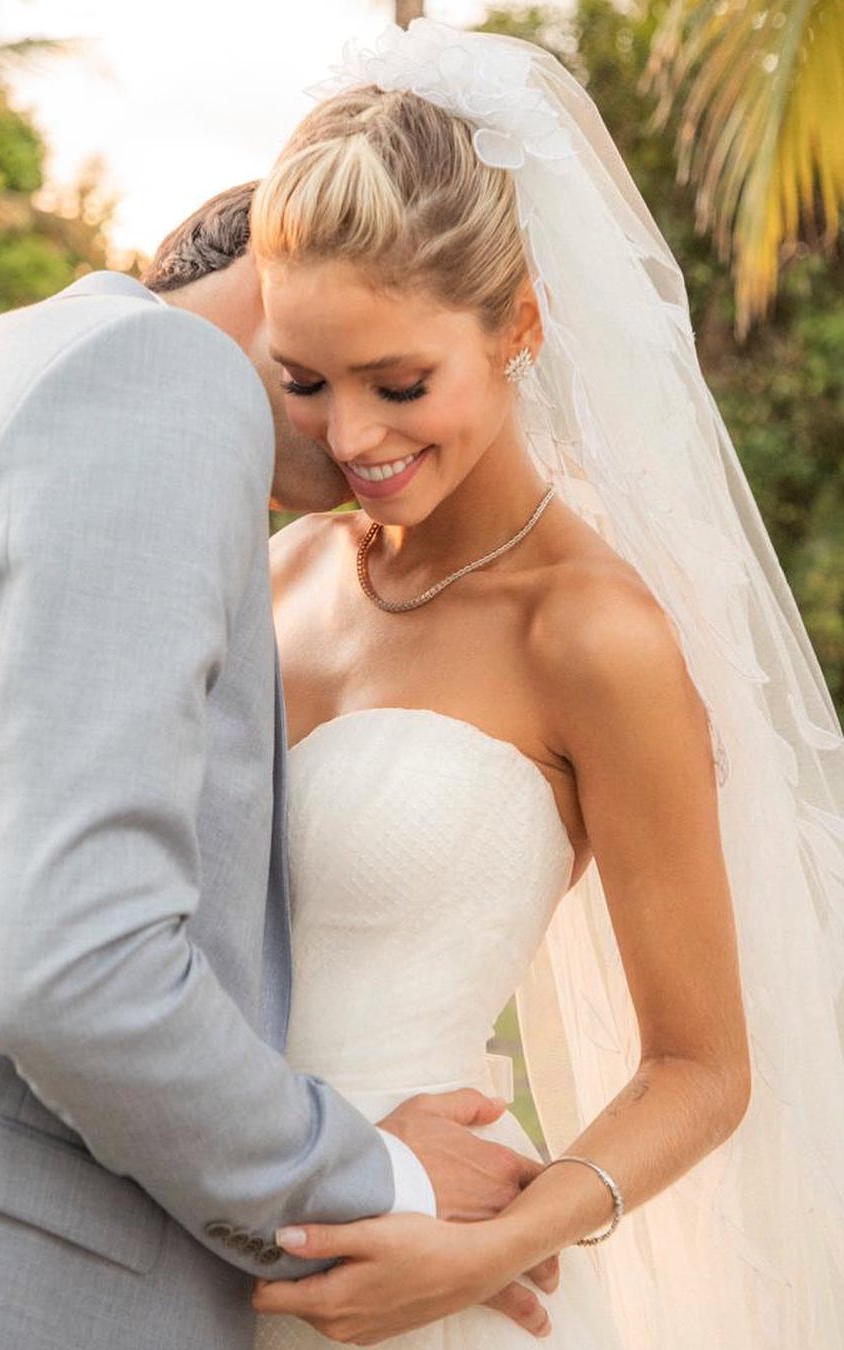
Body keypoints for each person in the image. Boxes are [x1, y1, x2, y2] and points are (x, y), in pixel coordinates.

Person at [0, 184, 560, 1349]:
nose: (355, 442)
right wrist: (381, 1180)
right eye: (340, 371)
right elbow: (68, 960)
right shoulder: (162, 387)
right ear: (287, 270)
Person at [248, 20, 844, 1348]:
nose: (352, 437)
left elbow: (703, 1066)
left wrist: (491, 1255)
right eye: (307, 381)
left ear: (519, 323)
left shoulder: (594, 635)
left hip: (421, 1277)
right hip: (179, 1246)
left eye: (401, 382)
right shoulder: (280, 575)